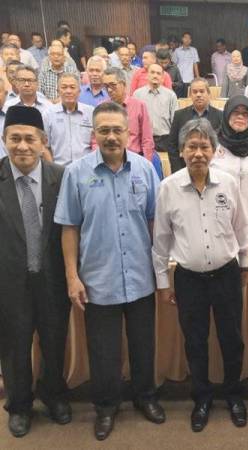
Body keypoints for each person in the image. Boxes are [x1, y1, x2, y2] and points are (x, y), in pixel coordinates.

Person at [55, 101, 164, 441]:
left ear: (129, 132)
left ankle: (145, 397)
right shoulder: (77, 173)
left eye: (118, 130)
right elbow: (69, 228)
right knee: (103, 352)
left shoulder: (146, 170)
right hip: (98, 281)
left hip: (140, 278)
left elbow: (154, 223)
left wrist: (160, 273)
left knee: (144, 346)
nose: (112, 137)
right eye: (104, 130)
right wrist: (72, 277)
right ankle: (105, 407)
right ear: (94, 134)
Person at [153, 118, 248, 432]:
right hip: (188, 279)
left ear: (214, 150)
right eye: (191, 146)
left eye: (204, 146)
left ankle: (234, 394)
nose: (198, 152)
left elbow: (241, 228)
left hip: (226, 275)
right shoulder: (168, 188)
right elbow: (161, 240)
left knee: (232, 339)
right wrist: (163, 282)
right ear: (181, 151)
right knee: (195, 342)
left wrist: (245, 264)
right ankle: (202, 398)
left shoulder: (228, 184)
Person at [0, 106, 71, 438]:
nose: (22, 146)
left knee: (55, 341)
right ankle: (19, 405)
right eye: (15, 139)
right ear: (4, 140)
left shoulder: (60, 177)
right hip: (9, 283)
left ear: (43, 141)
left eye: (30, 139)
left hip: (53, 279)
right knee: (14, 346)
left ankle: (54, 395)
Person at [211, 96, 248, 237]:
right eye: (236, 112)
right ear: (227, 114)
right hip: (219, 218)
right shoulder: (213, 144)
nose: (240, 117)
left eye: (245, 113)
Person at [167, 77, 223, 173]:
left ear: (209, 93)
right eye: (195, 92)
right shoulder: (179, 115)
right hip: (184, 169)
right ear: (190, 95)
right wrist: (178, 171)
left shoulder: (220, 116)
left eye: (202, 91)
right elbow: (172, 146)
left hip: (213, 170)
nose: (198, 95)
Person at [44, 73, 94, 165]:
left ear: (79, 91)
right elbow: (44, 147)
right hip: (59, 170)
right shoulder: (48, 114)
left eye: (72, 87)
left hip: (86, 169)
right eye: (64, 87)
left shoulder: (90, 112)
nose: (68, 91)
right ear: (58, 91)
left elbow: (96, 142)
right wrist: (52, 169)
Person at [133, 63, 178, 155]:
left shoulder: (171, 95)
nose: (155, 75)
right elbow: (134, 120)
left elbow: (175, 121)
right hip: (143, 139)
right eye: (152, 72)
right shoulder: (137, 94)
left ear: (162, 77)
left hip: (165, 140)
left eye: (158, 73)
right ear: (147, 75)